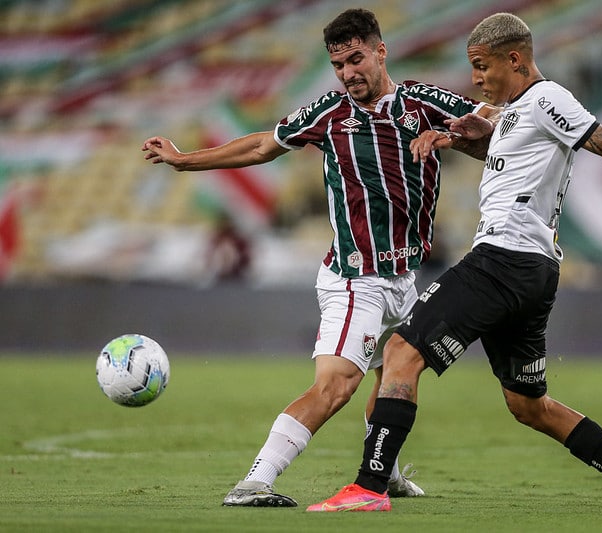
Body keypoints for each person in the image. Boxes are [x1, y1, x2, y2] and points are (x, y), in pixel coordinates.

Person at [308, 12, 602, 512]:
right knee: (530, 405)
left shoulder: (548, 99)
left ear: (515, 59)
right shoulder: (517, 111)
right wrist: (456, 136)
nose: (476, 79)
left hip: (504, 258)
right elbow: (512, 156)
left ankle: (369, 488)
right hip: (535, 270)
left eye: (482, 67)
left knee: (400, 352)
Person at [142, 9, 495, 507]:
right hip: (357, 277)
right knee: (335, 386)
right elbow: (264, 145)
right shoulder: (329, 114)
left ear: (380, 51)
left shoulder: (422, 100)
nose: (348, 73)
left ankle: (386, 471)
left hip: (404, 277)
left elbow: (491, 122)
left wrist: (452, 135)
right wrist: (185, 160)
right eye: (338, 64)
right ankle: (255, 481)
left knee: (396, 376)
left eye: (355, 59)